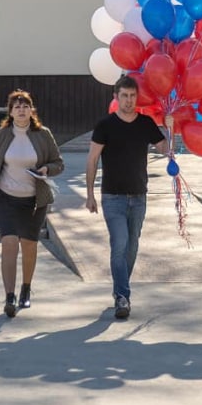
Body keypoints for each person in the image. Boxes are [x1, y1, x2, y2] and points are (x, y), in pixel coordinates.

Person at [85, 75, 170, 320]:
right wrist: (90, 195)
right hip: (113, 197)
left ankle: (119, 290)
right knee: (119, 244)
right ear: (116, 97)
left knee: (132, 247)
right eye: (124, 96)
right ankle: (122, 296)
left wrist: (169, 125)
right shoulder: (105, 125)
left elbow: (165, 149)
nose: (129, 101)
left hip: (139, 196)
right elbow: (91, 160)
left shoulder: (145, 123)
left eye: (133, 96)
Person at [0, 90, 64, 317]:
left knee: (29, 245)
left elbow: (58, 163)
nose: (21, 110)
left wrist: (46, 169)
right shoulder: (0, 135)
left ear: (31, 110)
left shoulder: (43, 135)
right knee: (9, 243)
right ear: (11, 112)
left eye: (25, 106)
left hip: (34, 201)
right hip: (6, 198)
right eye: (17, 107)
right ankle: (9, 296)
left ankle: (26, 288)